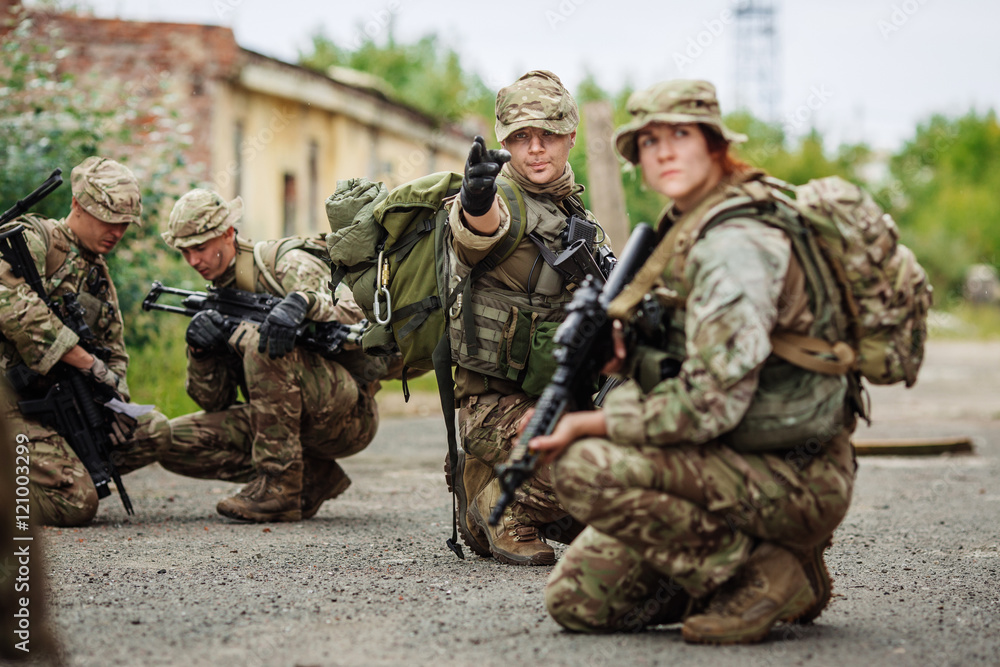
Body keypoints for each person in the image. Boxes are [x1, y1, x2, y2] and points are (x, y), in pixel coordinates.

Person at [532, 80, 859, 643]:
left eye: (680, 134)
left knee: (583, 465)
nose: (663, 151)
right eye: (649, 140)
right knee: (577, 602)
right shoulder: (689, 226)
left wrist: (598, 421)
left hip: (792, 472)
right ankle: (769, 565)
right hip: (727, 459)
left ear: (713, 145)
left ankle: (762, 573)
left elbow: (713, 400)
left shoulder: (736, 241)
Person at [160, 188, 385, 522]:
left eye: (200, 248)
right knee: (169, 442)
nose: (193, 261)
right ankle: (311, 475)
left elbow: (354, 313)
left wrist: (303, 303)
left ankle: (279, 487)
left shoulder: (283, 263)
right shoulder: (217, 296)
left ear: (227, 234)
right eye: (185, 252)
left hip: (347, 414)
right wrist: (200, 352)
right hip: (280, 420)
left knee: (259, 342)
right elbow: (214, 401)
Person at [447, 70, 597, 565]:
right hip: (493, 406)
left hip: (557, 395)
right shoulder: (500, 198)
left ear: (570, 137)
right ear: (504, 142)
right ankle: (496, 507)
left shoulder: (578, 218)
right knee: (590, 467)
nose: (535, 149)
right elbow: (477, 233)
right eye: (520, 137)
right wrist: (474, 200)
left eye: (548, 135)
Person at [0, 157, 171, 526]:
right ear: (77, 205)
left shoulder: (96, 275)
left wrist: (115, 400)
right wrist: (82, 360)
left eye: (124, 223)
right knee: (77, 502)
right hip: (9, 404)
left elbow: (113, 350)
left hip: (53, 407)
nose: (117, 231)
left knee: (154, 430)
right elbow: (8, 301)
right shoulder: (32, 239)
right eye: (108, 219)